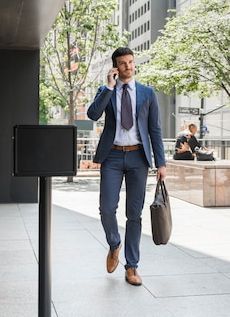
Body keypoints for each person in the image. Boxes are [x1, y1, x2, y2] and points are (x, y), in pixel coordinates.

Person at [87, 47, 166, 286]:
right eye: (123, 63)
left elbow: (155, 129)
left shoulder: (147, 93)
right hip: (111, 157)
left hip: (137, 158)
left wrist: (161, 163)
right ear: (115, 67)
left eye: (131, 62)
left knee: (135, 214)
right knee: (107, 208)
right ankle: (114, 244)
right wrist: (109, 87)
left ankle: (132, 267)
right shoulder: (106, 90)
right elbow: (92, 114)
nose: (128, 66)